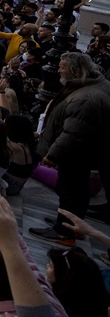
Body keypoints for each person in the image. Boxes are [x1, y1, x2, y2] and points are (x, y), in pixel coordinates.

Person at [30, 52, 110, 245]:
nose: (58, 69)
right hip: (86, 152)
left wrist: (52, 154)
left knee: (70, 190)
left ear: (75, 70)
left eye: (62, 66)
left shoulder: (86, 99)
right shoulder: (93, 85)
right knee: (76, 190)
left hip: (77, 154)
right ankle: (72, 223)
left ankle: (64, 230)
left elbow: (74, 134)